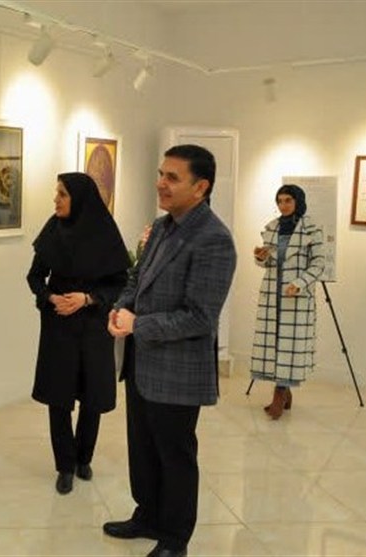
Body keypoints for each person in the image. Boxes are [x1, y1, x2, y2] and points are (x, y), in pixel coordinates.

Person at [103, 145, 237, 557]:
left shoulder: (214, 240)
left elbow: (200, 317)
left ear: (201, 187)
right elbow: (136, 279)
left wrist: (137, 325)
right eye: (161, 174)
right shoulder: (162, 227)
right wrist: (121, 308)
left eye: (172, 177)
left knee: (174, 455)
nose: (161, 183)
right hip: (142, 362)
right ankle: (147, 515)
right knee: (142, 449)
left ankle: (175, 540)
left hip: (177, 371)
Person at [27, 172, 129, 495]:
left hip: (94, 325)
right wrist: (50, 297)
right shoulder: (53, 229)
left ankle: (84, 457)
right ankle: (65, 465)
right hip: (59, 325)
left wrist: (88, 299)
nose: (55, 199)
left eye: (62, 194)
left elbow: (119, 283)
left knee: (92, 395)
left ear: (80, 199)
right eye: (56, 192)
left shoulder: (105, 232)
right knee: (58, 396)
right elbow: (34, 277)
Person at [251, 184, 325, 419]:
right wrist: (261, 257)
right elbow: (268, 264)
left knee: (289, 346)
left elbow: (319, 264)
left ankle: (279, 394)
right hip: (273, 294)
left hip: (296, 297)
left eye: (288, 201)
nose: (283, 206)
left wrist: (300, 283)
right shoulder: (272, 228)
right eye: (279, 201)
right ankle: (285, 391)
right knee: (274, 343)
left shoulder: (312, 229)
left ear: (298, 202)